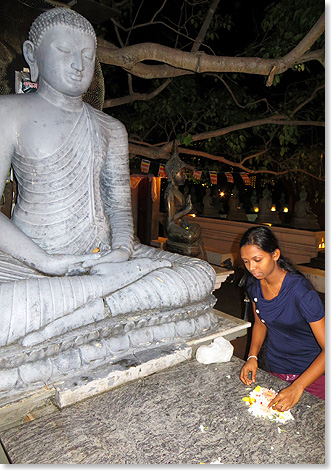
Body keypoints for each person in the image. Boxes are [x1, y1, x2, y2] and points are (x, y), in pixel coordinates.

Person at [0, 7, 216, 350]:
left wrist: (120, 251)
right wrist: (47, 263)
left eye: (88, 55)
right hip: (32, 266)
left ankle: (96, 300)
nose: (78, 64)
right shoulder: (7, 112)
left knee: (200, 275)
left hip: (104, 258)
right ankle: (111, 295)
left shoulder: (110, 128)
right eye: (65, 51)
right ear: (32, 55)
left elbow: (118, 205)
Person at [239, 226, 325, 411]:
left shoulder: (301, 292)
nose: (251, 267)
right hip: (276, 368)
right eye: (246, 261)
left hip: (311, 375)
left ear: (275, 255)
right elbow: (260, 322)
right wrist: (252, 356)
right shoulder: (254, 285)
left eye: (257, 260)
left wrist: (298, 386)